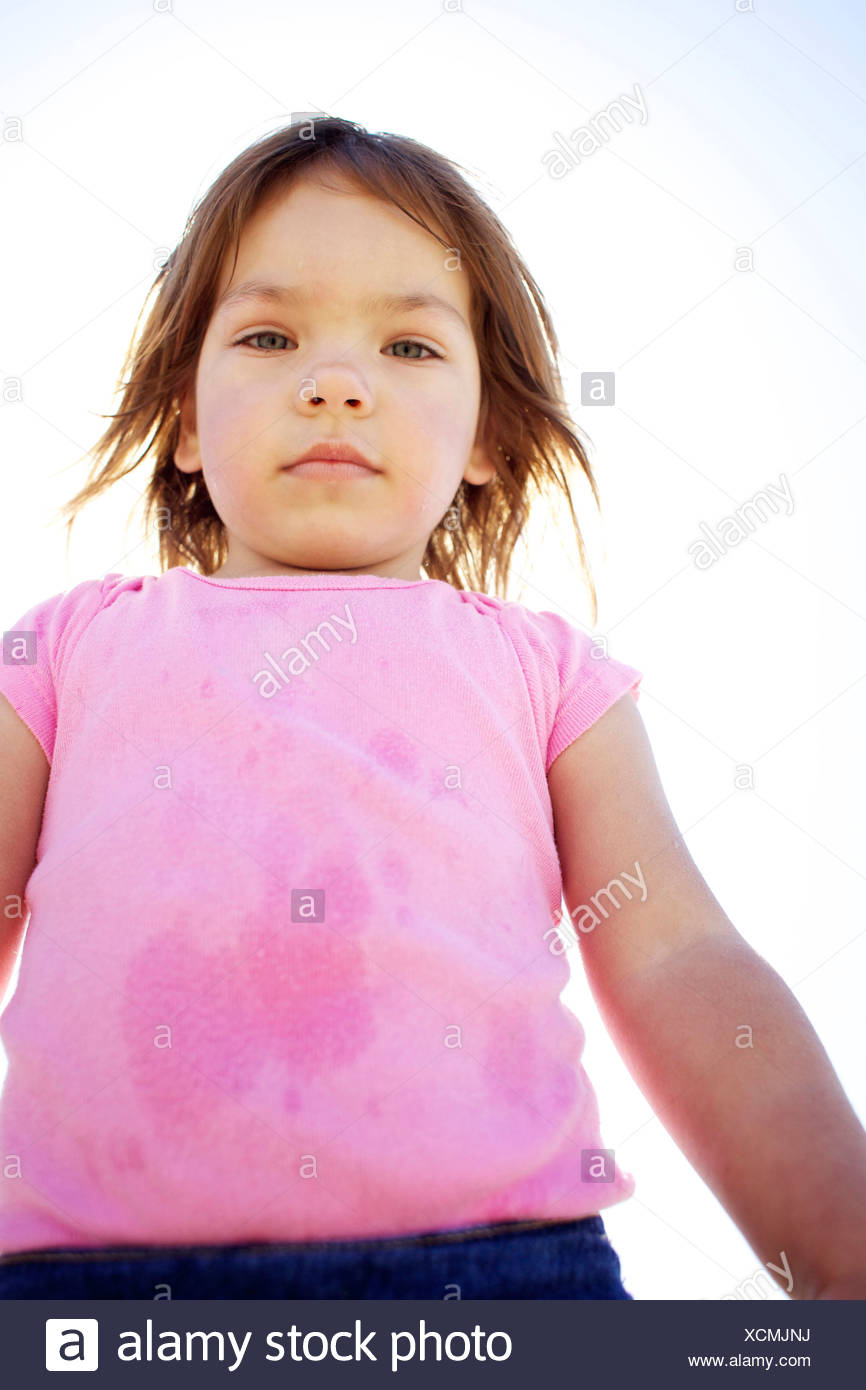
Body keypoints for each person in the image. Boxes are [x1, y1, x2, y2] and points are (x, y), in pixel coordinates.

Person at [1, 117, 864, 1303]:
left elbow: (676, 955)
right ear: (188, 421)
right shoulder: (62, 653)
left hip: (507, 1281)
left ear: (486, 440)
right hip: (84, 1294)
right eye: (267, 334)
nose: (336, 380)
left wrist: (835, 1254)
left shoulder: (548, 675)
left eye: (408, 347)